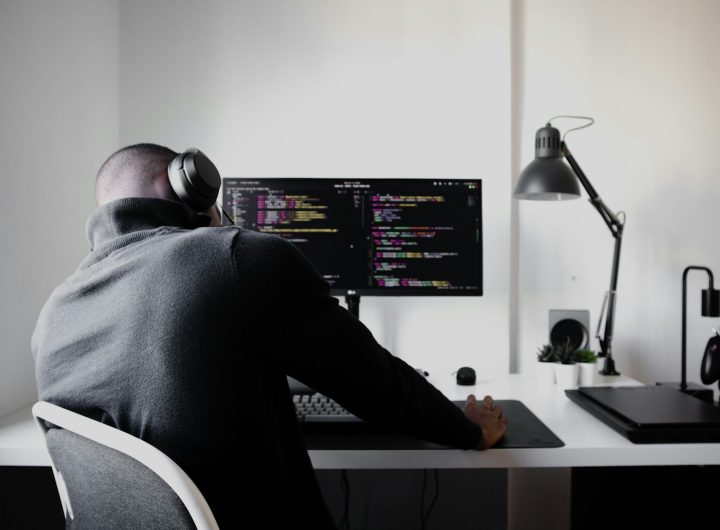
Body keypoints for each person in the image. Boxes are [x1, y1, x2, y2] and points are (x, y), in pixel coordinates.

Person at [32, 143, 508, 529]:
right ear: (193, 187)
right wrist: (467, 427)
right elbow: (376, 385)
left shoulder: (52, 315)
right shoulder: (236, 257)